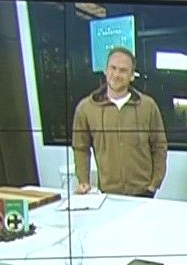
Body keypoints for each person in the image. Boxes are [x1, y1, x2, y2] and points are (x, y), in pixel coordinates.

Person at [71, 46, 167, 197]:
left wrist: (154, 184)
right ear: (105, 70)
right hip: (108, 194)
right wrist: (83, 180)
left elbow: (159, 145)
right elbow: (80, 148)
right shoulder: (86, 108)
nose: (116, 74)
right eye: (113, 68)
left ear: (132, 76)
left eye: (123, 70)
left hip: (144, 192)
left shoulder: (148, 106)